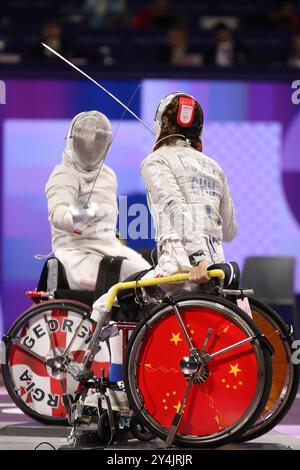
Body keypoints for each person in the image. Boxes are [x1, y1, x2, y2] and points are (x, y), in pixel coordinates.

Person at [91, 93, 237, 392]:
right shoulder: (213, 166)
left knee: (103, 305)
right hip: (216, 273)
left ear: (162, 124)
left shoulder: (155, 162)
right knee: (139, 298)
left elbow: (174, 205)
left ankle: (119, 387)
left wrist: (197, 257)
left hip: (181, 270)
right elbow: (230, 229)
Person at [45, 110, 150, 293]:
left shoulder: (108, 175)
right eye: (84, 140)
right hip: (77, 256)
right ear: (72, 140)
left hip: (110, 250)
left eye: (97, 141)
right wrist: (82, 213)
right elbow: (58, 214)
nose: (91, 145)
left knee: (149, 275)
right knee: (133, 277)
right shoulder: (64, 174)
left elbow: (105, 227)